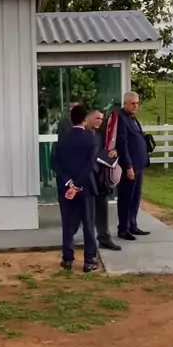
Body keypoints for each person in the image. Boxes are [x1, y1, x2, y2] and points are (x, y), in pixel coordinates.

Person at [52, 104, 98, 272]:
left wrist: (69, 183)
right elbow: (90, 165)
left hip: (66, 188)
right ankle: (89, 261)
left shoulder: (62, 138)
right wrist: (77, 184)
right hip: (85, 187)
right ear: (85, 119)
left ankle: (67, 259)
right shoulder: (91, 138)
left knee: (67, 224)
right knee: (88, 224)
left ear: (71, 120)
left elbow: (55, 163)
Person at [116, 92, 150, 240]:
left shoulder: (132, 118)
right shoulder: (122, 119)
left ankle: (133, 224)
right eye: (132, 103)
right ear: (125, 104)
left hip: (139, 165)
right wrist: (128, 166)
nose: (135, 106)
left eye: (137, 103)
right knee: (126, 197)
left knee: (136, 197)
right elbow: (122, 144)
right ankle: (123, 228)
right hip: (130, 167)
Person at [86, 108, 122, 251]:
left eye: (101, 119)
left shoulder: (100, 134)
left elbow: (107, 148)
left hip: (99, 178)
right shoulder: (81, 133)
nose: (100, 121)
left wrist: (113, 152)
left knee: (102, 207)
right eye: (97, 118)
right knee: (82, 212)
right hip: (85, 178)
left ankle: (104, 238)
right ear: (88, 118)